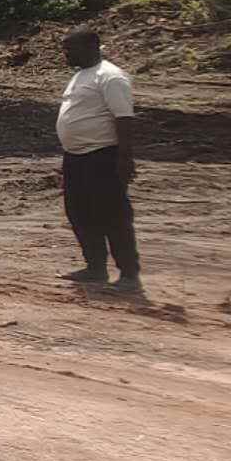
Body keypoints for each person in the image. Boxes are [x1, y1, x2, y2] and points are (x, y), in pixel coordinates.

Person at [55, 28, 143, 294]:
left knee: (113, 215)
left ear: (92, 46)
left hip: (102, 156)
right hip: (76, 157)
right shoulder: (81, 75)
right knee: (79, 212)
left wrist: (124, 158)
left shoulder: (110, 76)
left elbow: (123, 118)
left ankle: (129, 274)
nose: (66, 54)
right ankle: (95, 268)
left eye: (71, 49)